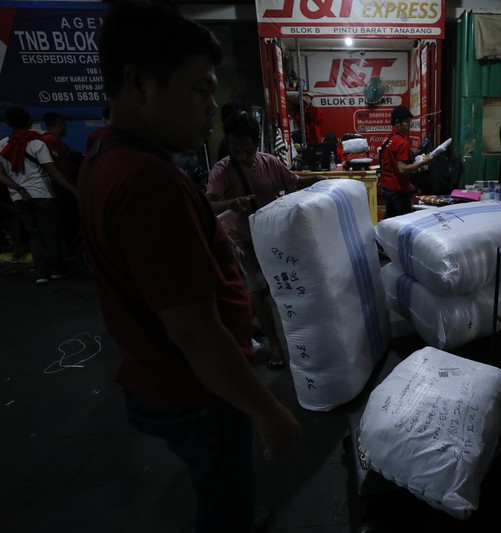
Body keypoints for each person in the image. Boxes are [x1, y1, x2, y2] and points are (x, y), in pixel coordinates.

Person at [78, 2, 300, 531]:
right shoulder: (149, 183)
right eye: (201, 89)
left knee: (221, 488)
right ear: (138, 84)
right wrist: (267, 411)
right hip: (200, 391)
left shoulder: (103, 157)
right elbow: (197, 333)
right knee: (225, 503)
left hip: (166, 378)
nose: (211, 109)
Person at [205, 110, 320, 370]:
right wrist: (231, 203)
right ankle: (275, 341)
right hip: (241, 239)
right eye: (235, 150)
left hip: (271, 236)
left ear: (256, 144)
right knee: (257, 285)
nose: (241, 156)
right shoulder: (223, 170)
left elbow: (293, 181)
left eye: (246, 150)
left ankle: (244, 323)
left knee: (268, 287)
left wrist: (321, 181)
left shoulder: (270, 163)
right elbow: (208, 204)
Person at [0, 107, 76, 284]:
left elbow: (1, 174)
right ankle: (57, 270)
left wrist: (19, 189)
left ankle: (41, 274)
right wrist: (73, 189)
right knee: (49, 232)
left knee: (35, 235)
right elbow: (53, 172)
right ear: (29, 123)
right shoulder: (37, 143)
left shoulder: (2, 145)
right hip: (42, 194)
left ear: (9, 124)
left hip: (20, 198)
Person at [379, 105, 433, 218]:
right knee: (404, 225)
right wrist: (423, 163)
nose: (409, 126)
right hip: (398, 191)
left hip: (388, 187)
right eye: (407, 122)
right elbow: (402, 169)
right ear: (398, 122)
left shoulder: (389, 138)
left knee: (390, 221)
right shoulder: (401, 142)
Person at [41, 112, 82, 246]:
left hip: (64, 186)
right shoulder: (50, 140)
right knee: (70, 218)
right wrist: (72, 186)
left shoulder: (51, 140)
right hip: (63, 187)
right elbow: (59, 168)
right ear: (60, 124)